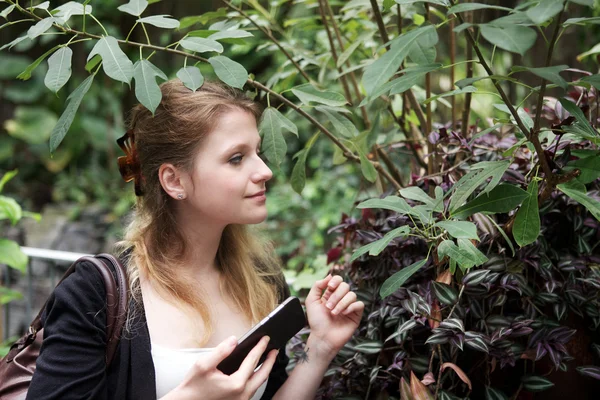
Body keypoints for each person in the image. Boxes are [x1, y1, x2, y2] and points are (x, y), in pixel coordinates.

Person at [27, 79, 365, 399]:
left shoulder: (262, 280)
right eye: (237, 158)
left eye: (257, 152)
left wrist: (320, 348)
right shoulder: (95, 294)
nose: (265, 171)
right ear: (174, 181)